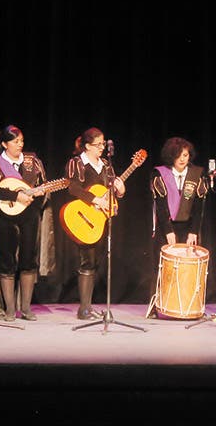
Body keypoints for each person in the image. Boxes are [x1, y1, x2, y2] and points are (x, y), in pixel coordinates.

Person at [0, 126, 49, 321]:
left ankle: (25, 308)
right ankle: (10, 308)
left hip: (29, 214)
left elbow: (42, 183)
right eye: (15, 141)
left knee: (28, 260)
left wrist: (40, 192)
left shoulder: (32, 162)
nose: (20, 145)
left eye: (21, 141)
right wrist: (15, 196)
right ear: (4, 144)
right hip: (5, 216)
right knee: (7, 261)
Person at [64, 127, 125, 320]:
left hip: (100, 219)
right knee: (87, 261)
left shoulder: (106, 165)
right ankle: (83, 309)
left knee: (95, 262)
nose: (102, 148)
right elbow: (73, 188)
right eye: (98, 144)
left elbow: (111, 191)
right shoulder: (77, 163)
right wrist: (94, 199)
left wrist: (120, 190)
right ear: (87, 146)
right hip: (83, 217)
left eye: (103, 144)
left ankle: (88, 307)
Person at [146, 137, 209, 318]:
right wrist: (168, 231)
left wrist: (193, 231)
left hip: (188, 227)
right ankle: (156, 305)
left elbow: (199, 206)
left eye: (186, 155)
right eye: (179, 155)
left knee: (189, 267)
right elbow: (161, 205)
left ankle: (189, 306)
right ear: (171, 156)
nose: (182, 159)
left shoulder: (196, 174)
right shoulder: (160, 173)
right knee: (161, 267)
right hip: (166, 226)